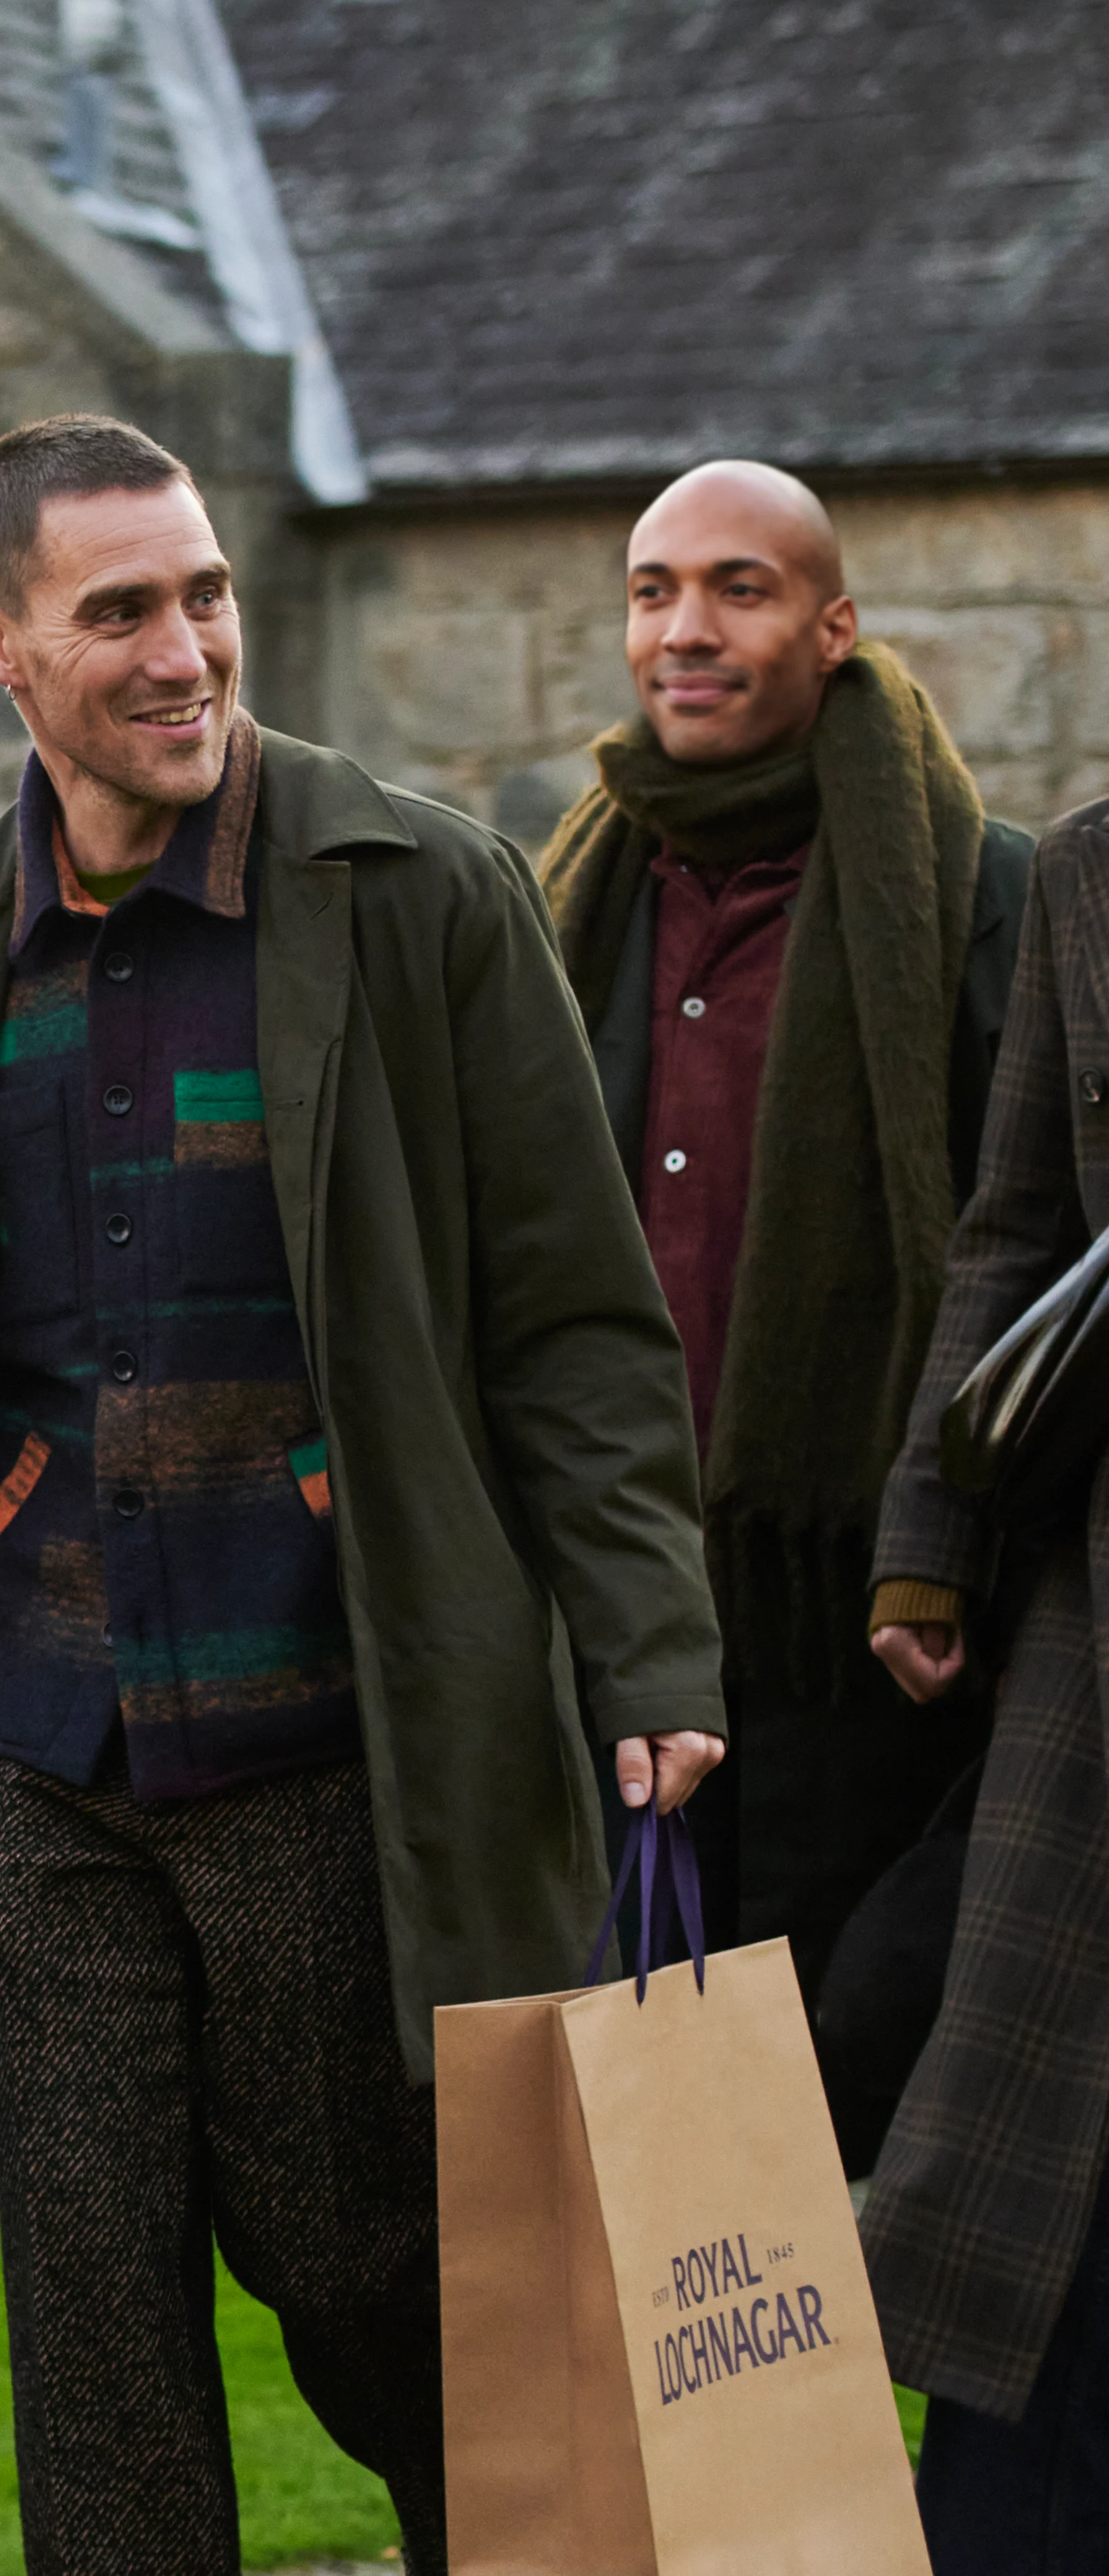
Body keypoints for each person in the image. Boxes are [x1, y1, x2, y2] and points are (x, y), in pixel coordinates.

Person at [0, 415, 726, 2576]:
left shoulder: (418, 891)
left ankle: (523, 2540)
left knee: (369, 2263)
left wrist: (650, 1640)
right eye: (118, 608)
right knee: (94, 2332)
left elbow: (573, 1320)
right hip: (37, 1749)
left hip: (333, 1731)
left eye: (202, 591)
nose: (183, 645)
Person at [529, 459, 1023, 2080]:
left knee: (835, 2085)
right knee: (631, 2104)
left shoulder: (982, 899)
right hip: (603, 1604)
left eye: (739, 588)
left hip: (859, 1619)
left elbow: (1024, 1245)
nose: (687, 627)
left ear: (833, 628)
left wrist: (944, 1538)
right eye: (653, 589)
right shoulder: (552, 909)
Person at [864, 794, 1109, 2566]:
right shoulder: (1091, 874)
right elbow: (1011, 1226)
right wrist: (925, 1535)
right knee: (1041, 2178)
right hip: (1093, 1635)